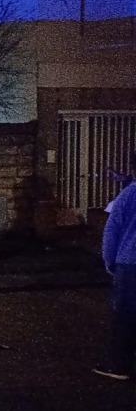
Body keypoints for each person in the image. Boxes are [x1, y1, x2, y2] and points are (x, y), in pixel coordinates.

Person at [94, 154, 136, 380]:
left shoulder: (128, 195)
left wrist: (109, 260)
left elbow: (112, 231)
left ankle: (120, 365)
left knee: (126, 315)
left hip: (130, 263)